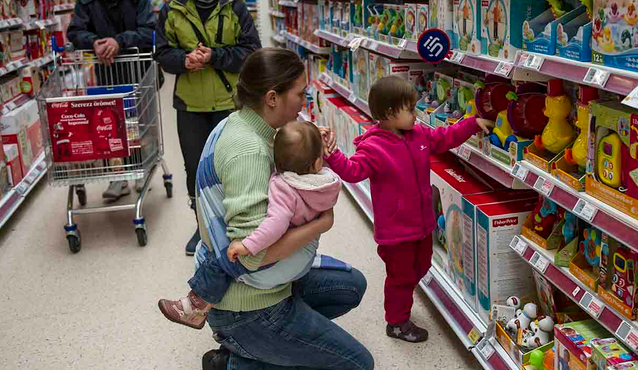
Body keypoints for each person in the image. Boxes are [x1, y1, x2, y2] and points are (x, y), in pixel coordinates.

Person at [186, 48, 372, 370]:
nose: (305, 100)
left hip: (261, 285)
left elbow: (285, 160)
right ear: (272, 97)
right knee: (357, 363)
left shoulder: (243, 122)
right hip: (248, 306)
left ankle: (265, 348)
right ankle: (241, 357)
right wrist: (321, 224)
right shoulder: (249, 153)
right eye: (300, 93)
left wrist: (310, 143)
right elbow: (251, 255)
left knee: (350, 285)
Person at [324, 75, 491, 343]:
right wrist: (332, 155)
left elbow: (444, 137)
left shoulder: (419, 134)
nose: (416, 114)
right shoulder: (374, 147)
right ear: (390, 113)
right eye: (410, 109)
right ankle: (397, 322)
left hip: (423, 224)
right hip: (396, 231)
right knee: (400, 278)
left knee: (422, 266)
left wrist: (471, 124)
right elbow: (352, 172)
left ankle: (403, 298)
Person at [157, 120, 346, 329]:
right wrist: (313, 144)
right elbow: (310, 163)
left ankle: (195, 307)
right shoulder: (325, 182)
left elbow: (275, 225)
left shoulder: (286, 188)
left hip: (278, 245)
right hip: (301, 247)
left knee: (222, 259)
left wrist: (248, 245)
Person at [154, 0, 261, 256]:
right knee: (195, 168)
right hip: (190, 104)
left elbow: (252, 51)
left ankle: (240, 226)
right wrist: (184, 60)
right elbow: (162, 53)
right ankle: (202, 227)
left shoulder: (234, 7)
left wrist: (215, 56)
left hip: (230, 102)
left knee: (236, 165)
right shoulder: (172, 10)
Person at [67, 0, 157, 201]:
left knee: (140, 122)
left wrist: (119, 42)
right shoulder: (87, 2)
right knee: (111, 127)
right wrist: (93, 42)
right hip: (107, 73)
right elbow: (74, 32)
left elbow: (150, 30)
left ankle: (141, 167)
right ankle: (118, 177)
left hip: (139, 70)